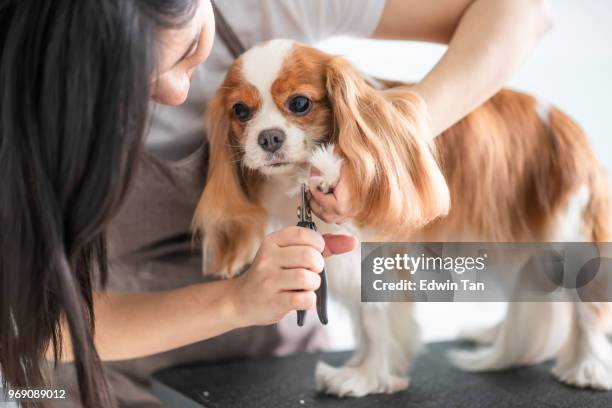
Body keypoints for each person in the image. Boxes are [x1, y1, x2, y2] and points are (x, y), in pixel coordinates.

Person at [0, 0, 553, 406]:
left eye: (190, 50)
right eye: (127, 81)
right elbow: (28, 326)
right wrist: (236, 301)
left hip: (276, 380)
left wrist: (393, 139)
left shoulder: (266, 7)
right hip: (88, 386)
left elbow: (521, 12)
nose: (174, 93)